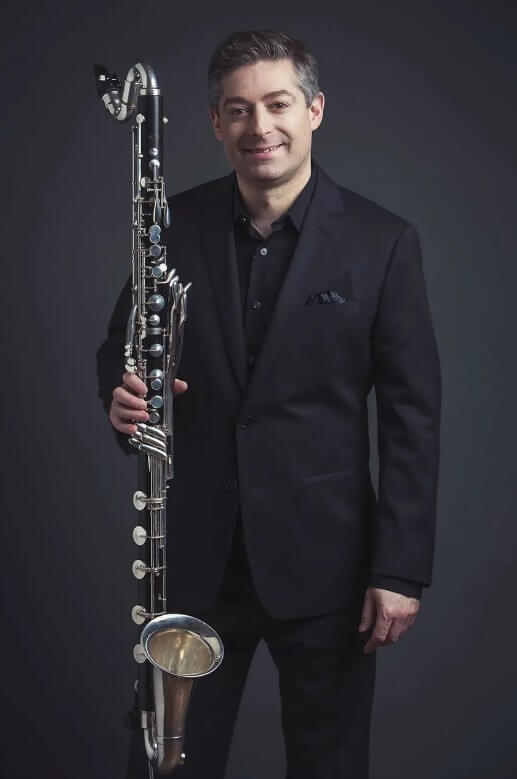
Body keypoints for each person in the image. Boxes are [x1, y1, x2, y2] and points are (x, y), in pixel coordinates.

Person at [96, 28, 442, 779]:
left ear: (314, 110)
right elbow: (120, 355)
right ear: (215, 124)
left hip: (330, 569)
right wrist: (121, 401)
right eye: (238, 109)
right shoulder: (172, 227)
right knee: (167, 765)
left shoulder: (382, 243)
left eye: (278, 104)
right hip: (195, 558)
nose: (260, 126)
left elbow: (412, 415)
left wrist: (400, 569)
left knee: (329, 765)